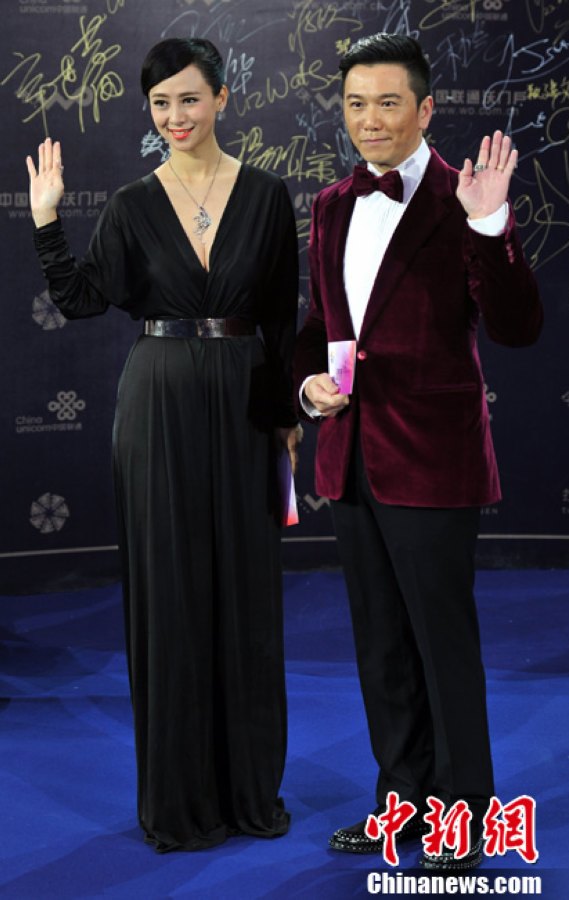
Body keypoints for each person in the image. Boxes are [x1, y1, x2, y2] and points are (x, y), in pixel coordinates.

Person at [27, 37, 300, 853]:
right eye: (160, 104)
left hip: (246, 400)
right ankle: (179, 801)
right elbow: (81, 299)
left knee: (247, 593)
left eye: (189, 99)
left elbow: (280, 318)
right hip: (159, 401)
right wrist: (46, 220)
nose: (175, 117)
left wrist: (285, 421)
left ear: (222, 98)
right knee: (169, 591)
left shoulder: (267, 195)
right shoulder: (130, 204)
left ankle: (248, 792)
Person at [293, 33, 542, 870]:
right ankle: (399, 805)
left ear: (425, 108)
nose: (369, 120)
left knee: (441, 648)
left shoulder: (460, 198)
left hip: (433, 461)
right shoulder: (330, 204)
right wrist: (307, 389)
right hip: (349, 458)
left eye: (388, 103)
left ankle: (461, 818)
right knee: (380, 649)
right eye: (355, 104)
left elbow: (516, 326)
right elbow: (318, 329)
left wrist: (490, 223)